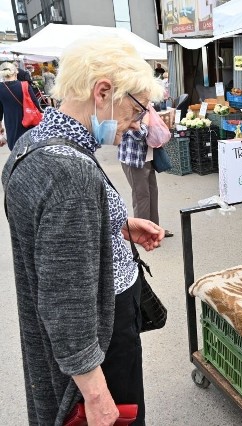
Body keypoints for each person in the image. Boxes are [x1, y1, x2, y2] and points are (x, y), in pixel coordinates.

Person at [2, 35, 165, 425]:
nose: (140, 122)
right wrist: (96, 392)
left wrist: (115, 225)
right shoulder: (67, 172)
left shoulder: (32, 143)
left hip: (86, 333)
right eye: (138, 108)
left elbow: (53, 245)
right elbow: (65, 300)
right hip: (102, 339)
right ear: (103, 91)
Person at [119, 103, 174, 238]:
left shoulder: (143, 105)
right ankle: (143, 232)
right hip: (133, 159)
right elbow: (136, 134)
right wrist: (146, 120)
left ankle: (154, 228)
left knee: (152, 193)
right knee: (141, 196)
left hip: (147, 155)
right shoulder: (124, 107)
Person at [0, 62, 41, 150]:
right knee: (29, 148)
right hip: (28, 122)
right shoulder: (24, 85)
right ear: (15, 72)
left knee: (15, 148)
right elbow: (36, 104)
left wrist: (0, 126)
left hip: (11, 123)